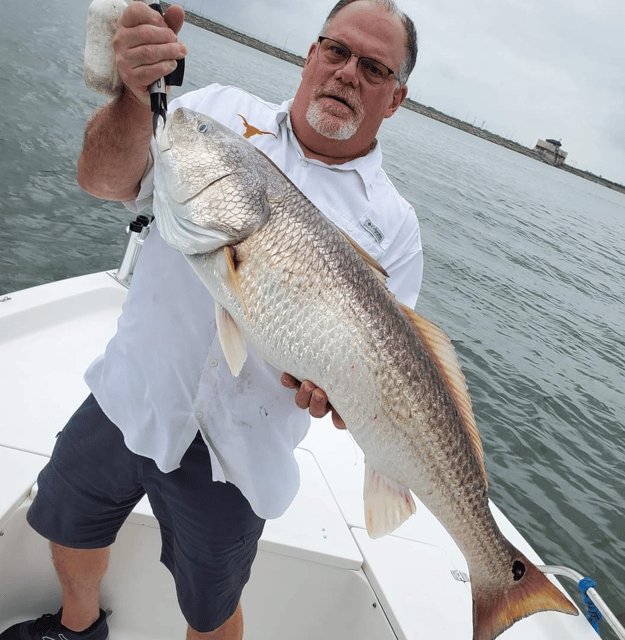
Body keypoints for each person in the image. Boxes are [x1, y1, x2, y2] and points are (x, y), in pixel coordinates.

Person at [0, 1, 421, 639]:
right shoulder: (217, 116)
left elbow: (383, 364)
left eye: (374, 67)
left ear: (395, 98)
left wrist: (335, 392)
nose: (346, 73)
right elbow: (100, 178)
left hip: (237, 457)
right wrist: (135, 99)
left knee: (212, 606)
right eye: (335, 51)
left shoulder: (395, 227)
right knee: (65, 521)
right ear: (311, 55)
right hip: (130, 392)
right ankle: (77, 625)